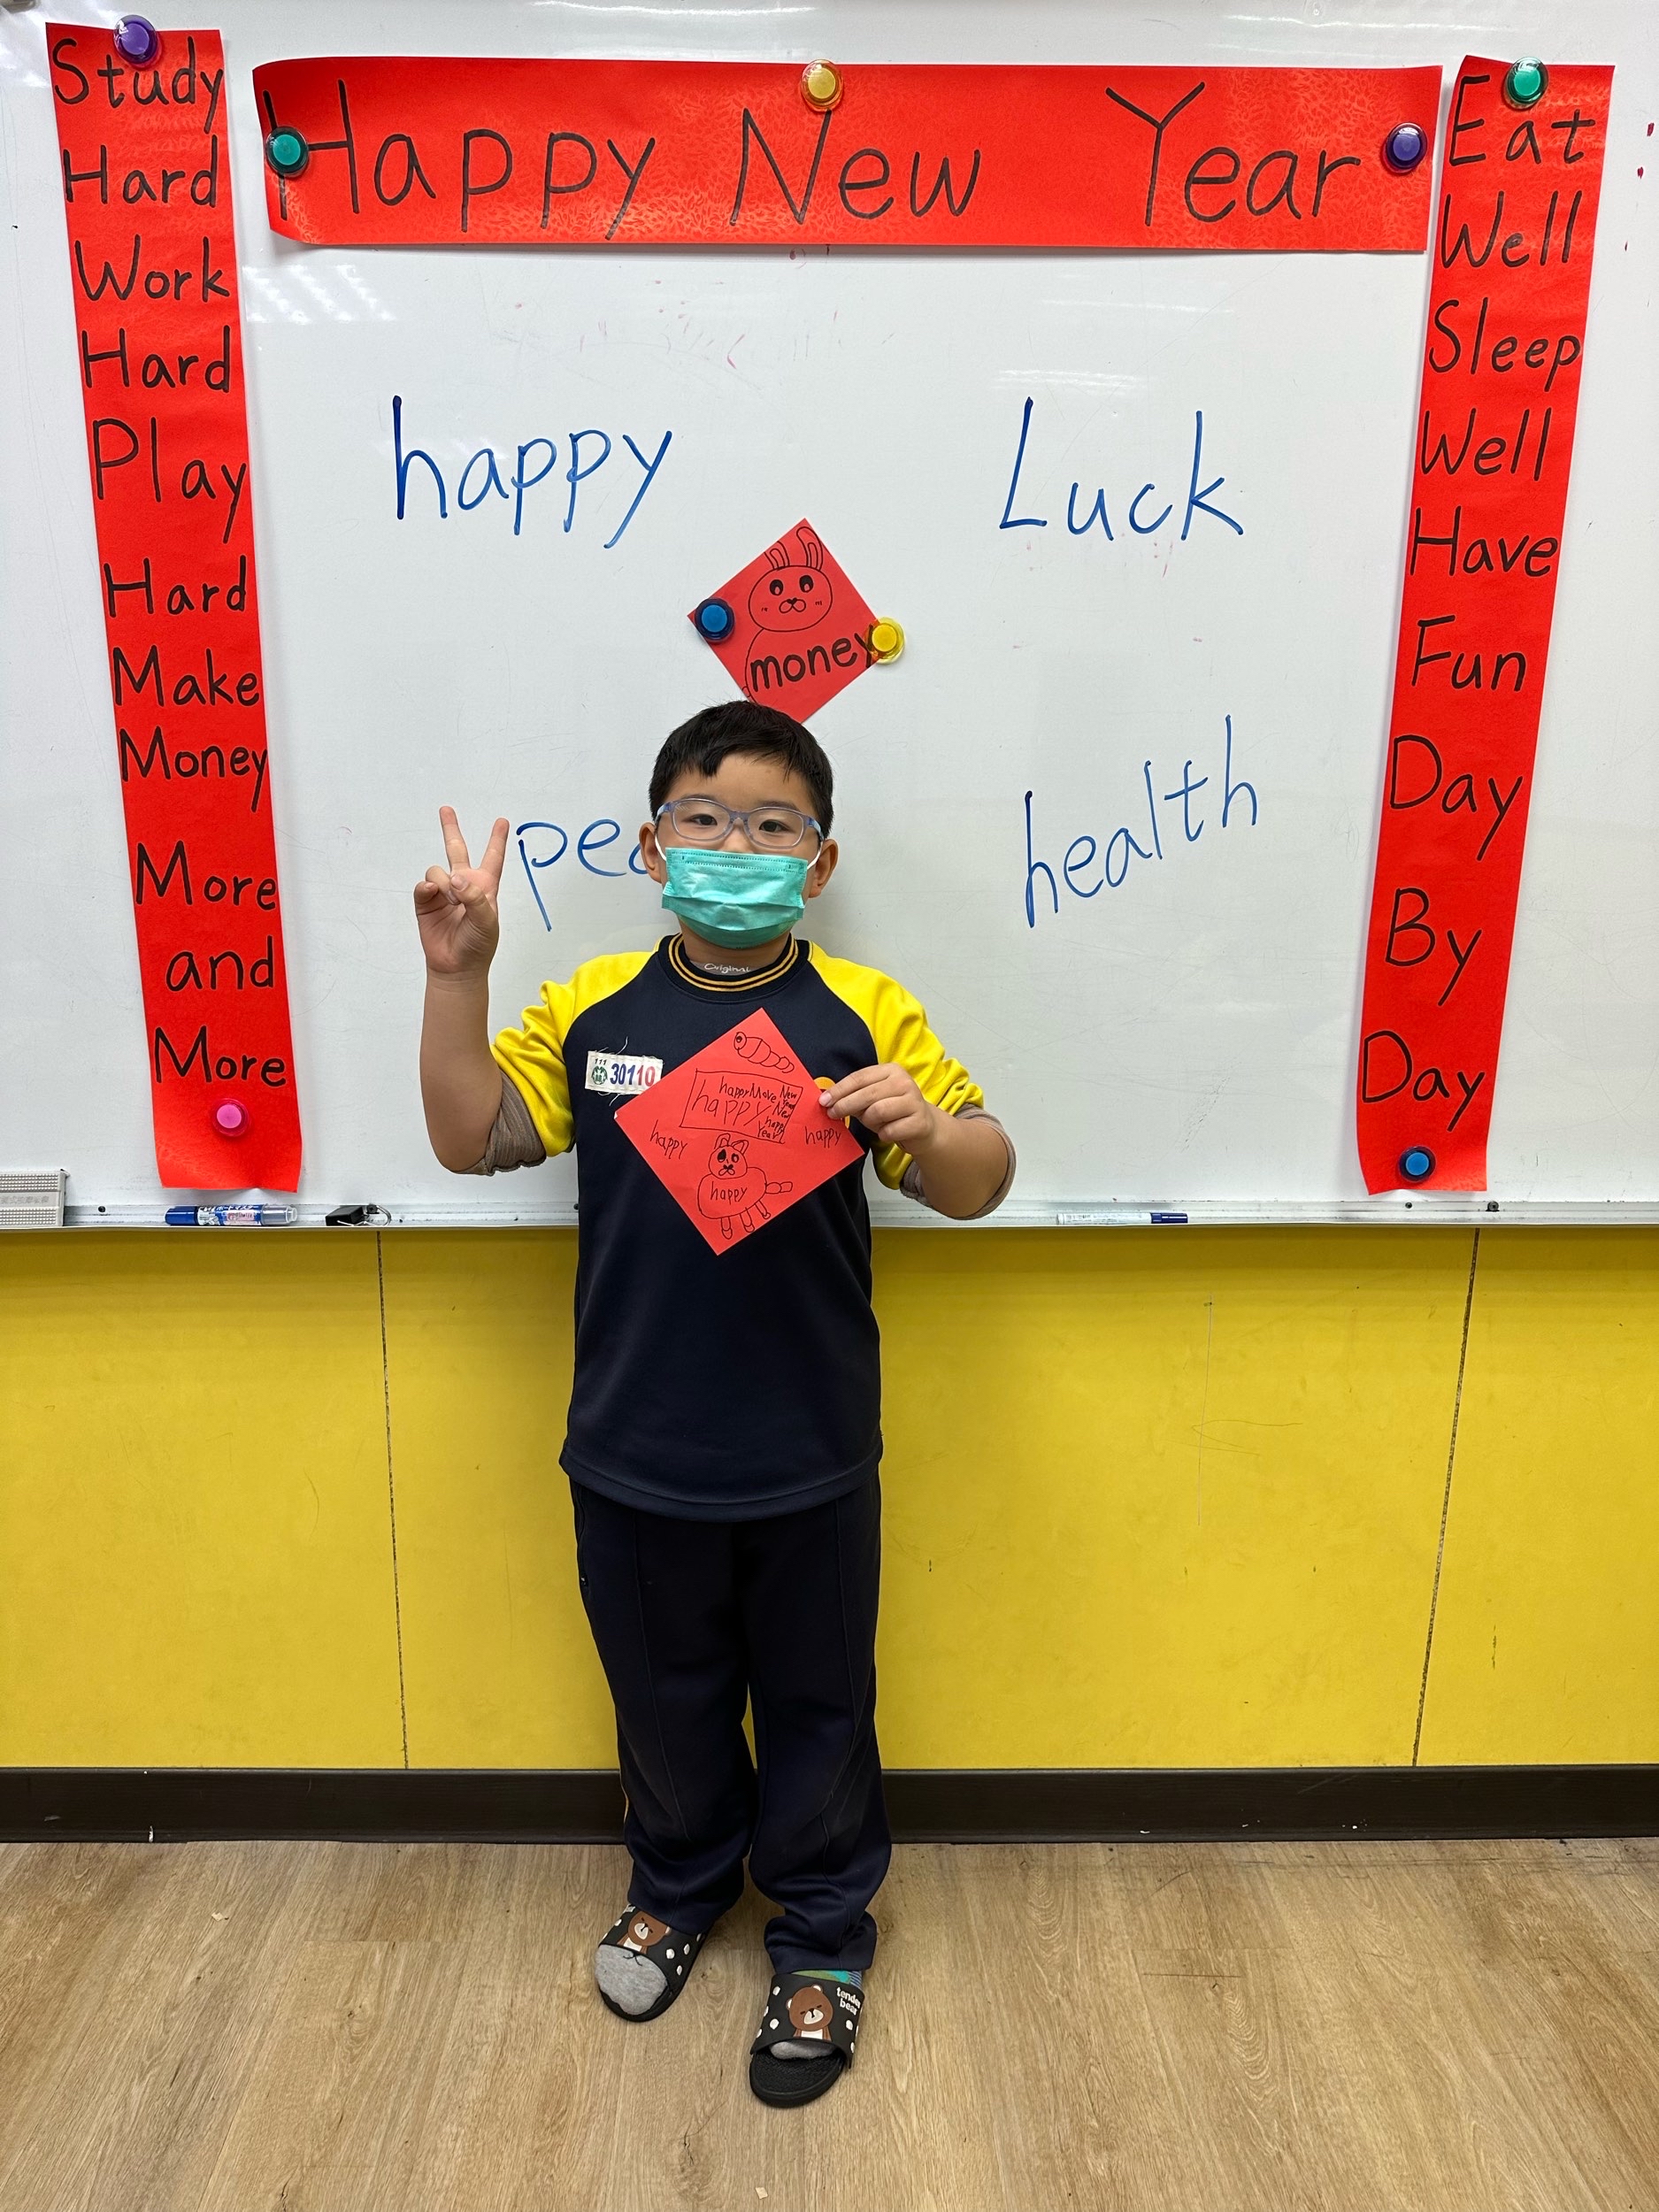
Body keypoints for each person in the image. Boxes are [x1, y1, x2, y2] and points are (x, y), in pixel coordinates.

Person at [414, 700, 1014, 2107]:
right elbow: (469, 1137)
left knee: (821, 1704)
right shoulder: (593, 1005)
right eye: (703, 818)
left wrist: (930, 1131)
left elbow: (979, 1177)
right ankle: (677, 1884)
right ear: (651, 845)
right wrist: (460, 976)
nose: (735, 846)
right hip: (632, 1447)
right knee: (662, 1698)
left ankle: (822, 1933)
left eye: (772, 825)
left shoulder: (867, 1012)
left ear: (820, 861)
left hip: (813, 1453)